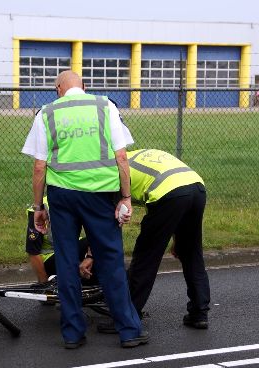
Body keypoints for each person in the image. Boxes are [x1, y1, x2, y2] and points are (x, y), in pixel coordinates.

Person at [21, 70, 147, 349]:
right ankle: (128, 330)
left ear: (58, 90)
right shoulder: (105, 106)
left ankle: (73, 334)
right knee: (111, 260)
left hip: (62, 197)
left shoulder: (46, 113)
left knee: (66, 263)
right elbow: (122, 156)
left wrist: (38, 206)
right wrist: (125, 197)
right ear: (84, 87)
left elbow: (40, 166)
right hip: (101, 196)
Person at [93, 148, 210, 333]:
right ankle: (199, 313)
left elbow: (112, 219)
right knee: (192, 254)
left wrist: (92, 254)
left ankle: (128, 316)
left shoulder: (114, 171)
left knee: (145, 258)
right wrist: (176, 238)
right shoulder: (135, 156)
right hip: (196, 187)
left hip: (168, 194)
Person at [25, 197, 96, 287]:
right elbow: (33, 251)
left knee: (96, 242)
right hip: (51, 256)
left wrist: (90, 257)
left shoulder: (78, 199)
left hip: (69, 248)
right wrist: (44, 284)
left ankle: (95, 283)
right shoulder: (41, 208)